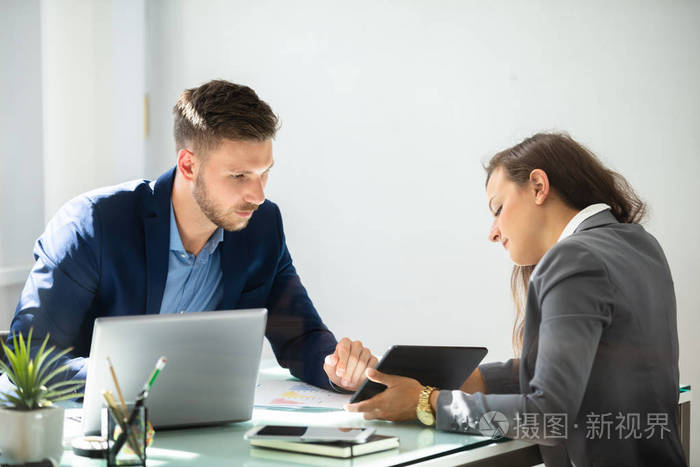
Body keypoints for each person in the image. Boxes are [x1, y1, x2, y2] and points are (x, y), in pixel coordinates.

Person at [4, 80, 376, 393]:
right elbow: (31, 361)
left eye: (264, 173)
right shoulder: (92, 224)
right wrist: (139, 380)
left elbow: (299, 337)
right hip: (99, 434)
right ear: (188, 164)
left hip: (207, 429)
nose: (258, 195)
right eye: (239, 176)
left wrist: (337, 368)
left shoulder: (260, 227)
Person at [346, 133, 686, 466]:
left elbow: (547, 417)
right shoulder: (639, 244)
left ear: (538, 186)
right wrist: (468, 380)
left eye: (497, 209)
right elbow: (592, 366)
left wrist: (428, 403)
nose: (492, 231)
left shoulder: (573, 259)